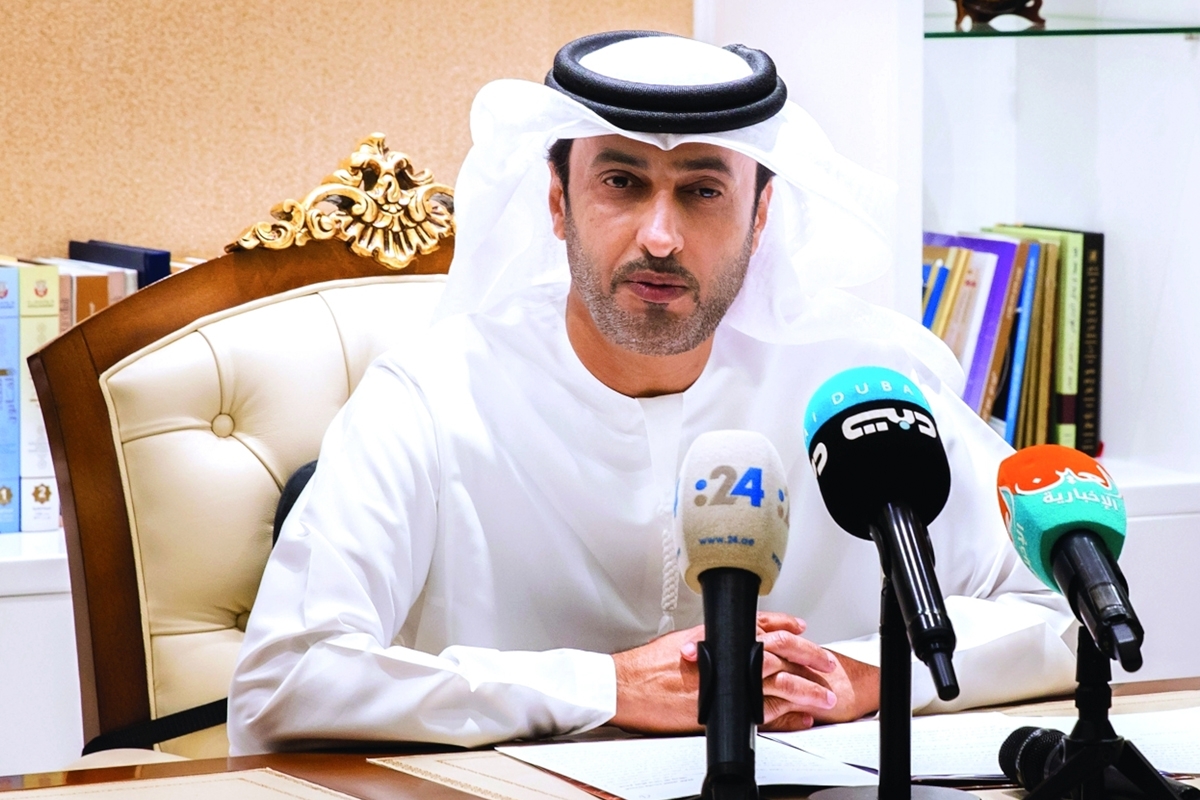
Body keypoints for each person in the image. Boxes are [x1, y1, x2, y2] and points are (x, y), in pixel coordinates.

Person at [228, 32, 1076, 754]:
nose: (661, 236)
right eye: (622, 183)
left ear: (760, 216)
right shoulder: (433, 395)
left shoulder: (862, 389)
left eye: (703, 191)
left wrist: (871, 673)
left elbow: (1073, 610)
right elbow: (283, 683)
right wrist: (606, 687)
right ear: (558, 201)